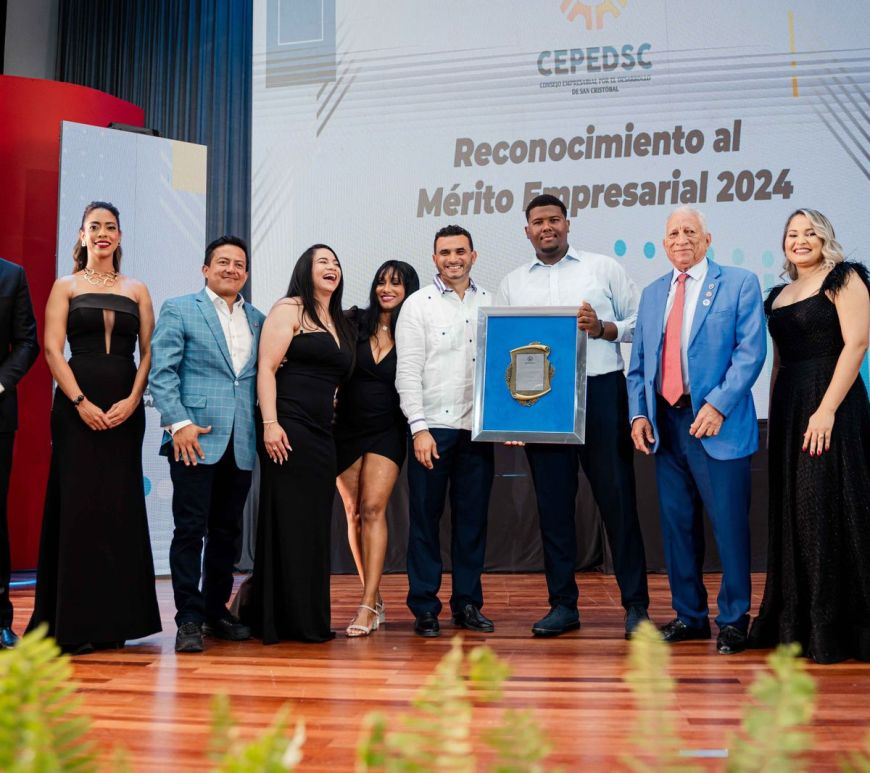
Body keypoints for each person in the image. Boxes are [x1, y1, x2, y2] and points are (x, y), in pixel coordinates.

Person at [496, 194, 649, 638]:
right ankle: (563, 605)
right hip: (544, 404)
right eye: (538, 221)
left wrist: (603, 328)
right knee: (553, 507)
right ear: (527, 231)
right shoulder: (512, 283)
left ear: (567, 224)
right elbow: (503, 348)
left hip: (601, 392)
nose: (547, 227)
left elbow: (643, 324)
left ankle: (636, 606)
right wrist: (511, 415)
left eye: (554, 219)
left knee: (618, 502)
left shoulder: (603, 269)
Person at [627, 207, 766, 655]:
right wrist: (639, 415)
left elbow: (750, 352)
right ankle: (690, 616)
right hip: (666, 426)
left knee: (729, 527)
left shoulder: (739, 283)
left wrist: (718, 405)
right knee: (678, 527)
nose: (681, 239)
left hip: (716, 424)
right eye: (673, 233)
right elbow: (639, 366)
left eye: (690, 231)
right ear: (664, 244)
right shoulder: (652, 294)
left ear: (707, 239)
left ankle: (734, 620)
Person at [28, 201, 161, 654]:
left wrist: (133, 400)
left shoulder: (138, 289)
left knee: (119, 507)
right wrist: (80, 401)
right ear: (82, 235)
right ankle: (73, 623)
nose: (103, 233)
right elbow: (52, 350)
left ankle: (116, 622)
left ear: (119, 236)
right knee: (79, 507)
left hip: (126, 408)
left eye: (110, 227)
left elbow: (148, 352)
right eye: (94, 226)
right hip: (75, 410)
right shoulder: (64, 286)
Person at [748, 209, 870, 664]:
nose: (800, 240)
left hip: (831, 403)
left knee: (825, 506)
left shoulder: (845, 278)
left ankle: (835, 627)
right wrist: (775, 417)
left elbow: (857, 344)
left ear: (824, 237)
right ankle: (797, 622)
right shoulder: (777, 295)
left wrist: (826, 410)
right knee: (796, 513)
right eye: (792, 234)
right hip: (790, 407)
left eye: (809, 232)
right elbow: (779, 362)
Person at [150, 235, 265, 653]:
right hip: (192, 439)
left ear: (246, 274)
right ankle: (189, 618)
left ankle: (216, 610)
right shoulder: (180, 308)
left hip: (241, 441)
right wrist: (178, 423)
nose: (231, 269)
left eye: (239, 264)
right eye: (223, 262)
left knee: (227, 534)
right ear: (205, 269)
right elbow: (162, 373)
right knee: (189, 530)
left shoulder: (259, 319)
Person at [235, 244, 354, 643]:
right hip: (287, 425)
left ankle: (307, 617)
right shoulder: (289, 308)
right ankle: (279, 617)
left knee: (313, 523)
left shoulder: (338, 320)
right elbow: (267, 369)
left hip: (322, 431)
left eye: (336, 262)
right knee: (288, 519)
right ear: (306, 269)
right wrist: (270, 424)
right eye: (323, 261)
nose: (332, 267)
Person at [395, 224, 494, 638]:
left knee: (472, 523)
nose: (453, 258)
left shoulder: (491, 302)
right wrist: (418, 428)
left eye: (460, 251)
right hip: (431, 430)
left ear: (474, 255)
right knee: (425, 520)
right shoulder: (417, 305)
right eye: (445, 252)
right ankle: (424, 606)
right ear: (434, 258)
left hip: (477, 430)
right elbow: (407, 372)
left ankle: (467, 604)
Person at [334, 260, 420, 636]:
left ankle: (367, 605)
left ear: (409, 290)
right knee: (354, 512)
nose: (387, 288)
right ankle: (374, 596)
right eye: (382, 281)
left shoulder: (414, 328)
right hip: (346, 428)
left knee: (372, 508)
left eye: (396, 283)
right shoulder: (353, 321)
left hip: (388, 427)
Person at [0, 258, 39, 647]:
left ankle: (1, 620)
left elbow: (28, 342)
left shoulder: (12, 275)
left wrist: (0, 383)